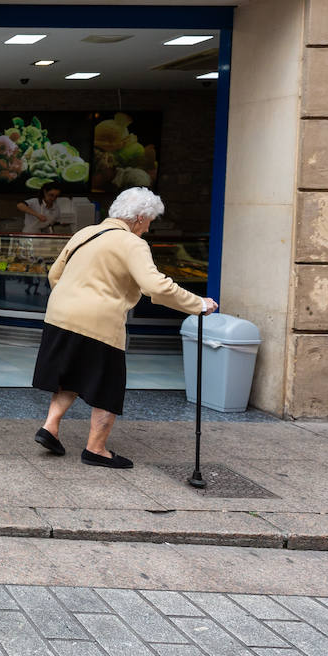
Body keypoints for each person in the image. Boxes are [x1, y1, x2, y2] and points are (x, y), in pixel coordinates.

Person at [33, 187, 217, 469]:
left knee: (69, 373)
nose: (148, 228)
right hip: (99, 321)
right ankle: (96, 449)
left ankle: (50, 427)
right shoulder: (132, 244)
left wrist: (73, 299)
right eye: (149, 222)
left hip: (59, 313)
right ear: (140, 218)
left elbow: (54, 273)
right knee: (108, 384)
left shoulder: (85, 233)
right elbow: (156, 286)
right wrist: (197, 304)